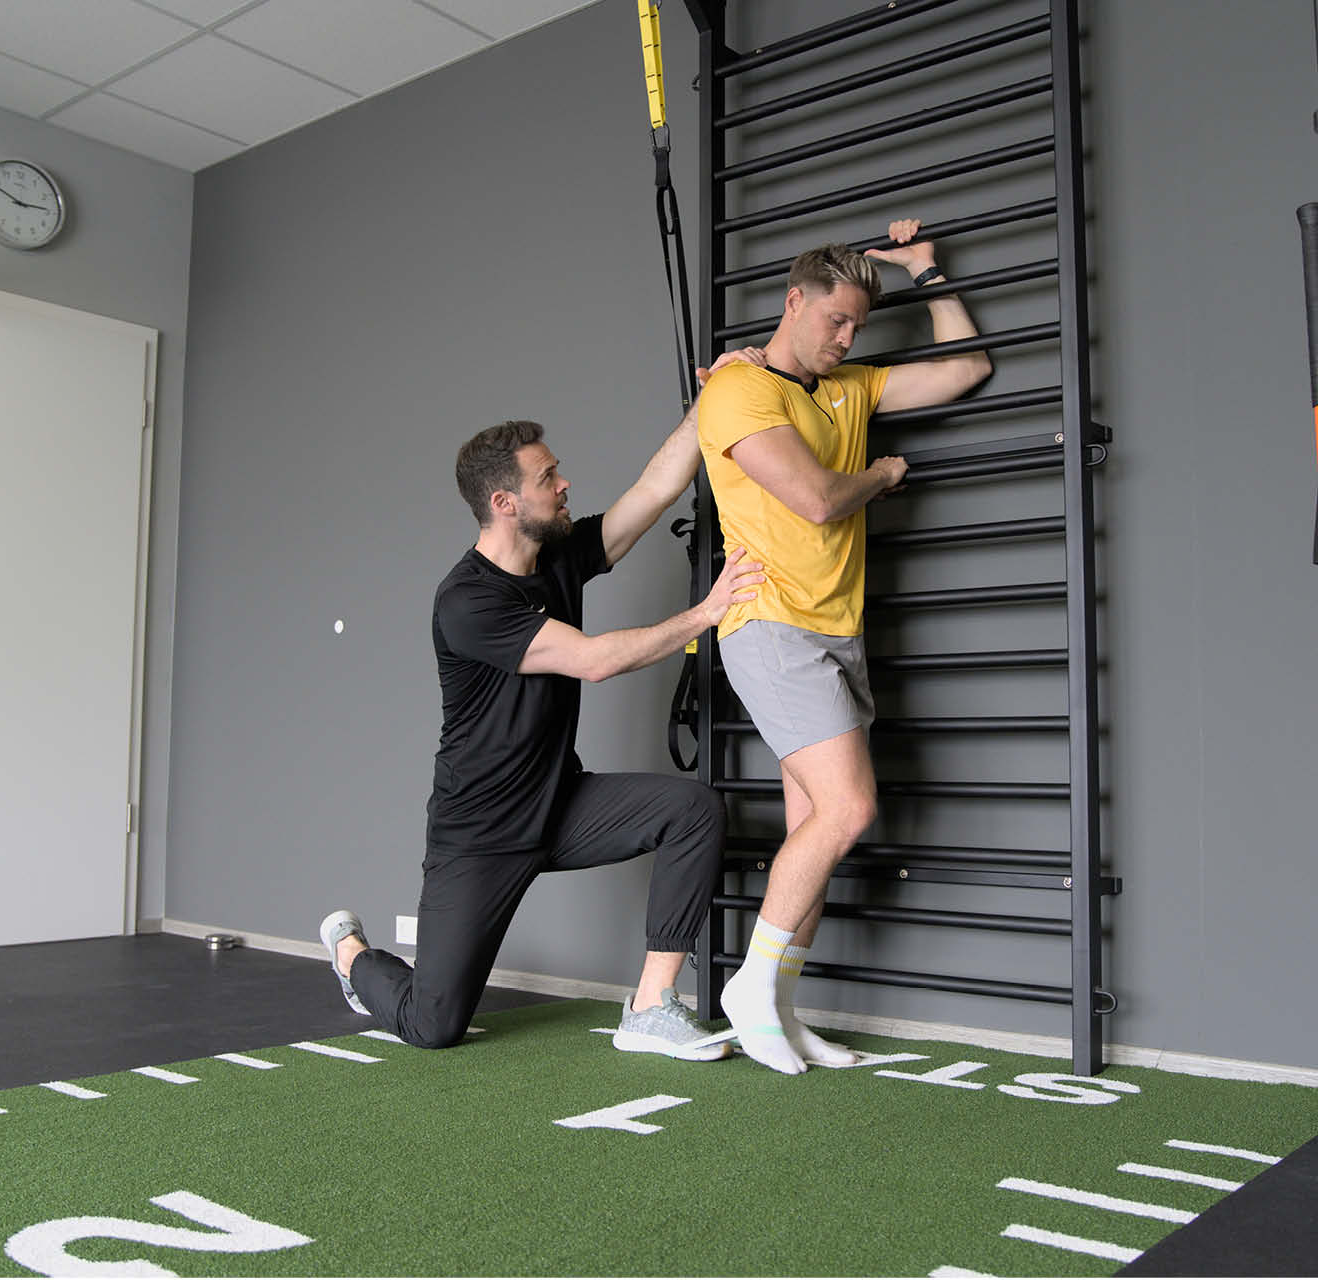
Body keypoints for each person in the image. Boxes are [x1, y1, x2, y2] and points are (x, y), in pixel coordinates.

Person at [318, 356, 766, 1059]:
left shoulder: (559, 554)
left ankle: (652, 1008)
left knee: (694, 810)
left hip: (560, 805)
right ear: (504, 503)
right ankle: (351, 956)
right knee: (434, 1026)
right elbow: (594, 660)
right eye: (547, 477)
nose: (564, 484)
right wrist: (704, 614)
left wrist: (708, 404)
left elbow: (654, 489)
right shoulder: (467, 600)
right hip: (482, 833)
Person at [695, 218, 993, 1074]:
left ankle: (779, 1010)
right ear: (795, 301)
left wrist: (927, 270)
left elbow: (967, 368)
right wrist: (885, 474)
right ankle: (750, 987)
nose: (847, 339)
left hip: (835, 631)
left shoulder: (848, 389)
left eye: (858, 326)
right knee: (850, 810)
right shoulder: (738, 391)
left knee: (813, 829)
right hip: (771, 625)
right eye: (836, 321)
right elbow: (820, 501)